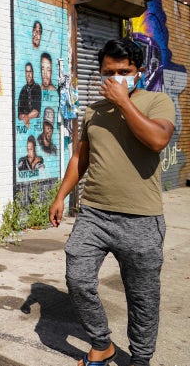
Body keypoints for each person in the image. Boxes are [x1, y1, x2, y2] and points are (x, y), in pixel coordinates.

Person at [49, 38, 175, 366]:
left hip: (141, 219)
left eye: (124, 72)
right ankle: (101, 343)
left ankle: (141, 360)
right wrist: (61, 196)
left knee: (142, 299)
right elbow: (80, 156)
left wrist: (124, 103)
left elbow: (158, 139)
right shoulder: (93, 111)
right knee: (77, 277)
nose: (117, 78)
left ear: (139, 72)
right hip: (94, 214)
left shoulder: (157, 101)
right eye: (109, 73)